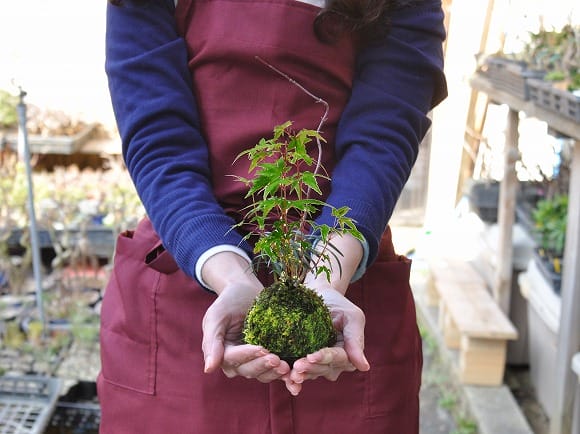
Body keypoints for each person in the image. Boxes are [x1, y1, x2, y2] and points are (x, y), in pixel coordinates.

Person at [98, 0, 447, 432]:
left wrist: (326, 274)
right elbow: (157, 139)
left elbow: (383, 139)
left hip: (344, 276)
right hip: (189, 283)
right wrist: (229, 271)